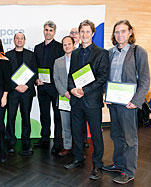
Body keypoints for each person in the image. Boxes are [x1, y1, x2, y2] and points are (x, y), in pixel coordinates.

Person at [102, 20, 150, 184]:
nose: (120, 35)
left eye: (123, 31)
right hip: (113, 102)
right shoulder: (110, 53)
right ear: (114, 35)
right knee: (116, 135)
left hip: (129, 103)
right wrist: (104, 94)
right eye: (117, 32)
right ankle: (118, 164)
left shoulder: (138, 52)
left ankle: (129, 171)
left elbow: (145, 80)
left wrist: (136, 101)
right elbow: (106, 76)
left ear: (130, 32)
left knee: (130, 139)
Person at [64, 20, 109, 180]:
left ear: (93, 33)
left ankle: (97, 164)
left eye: (87, 32)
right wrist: (72, 89)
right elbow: (71, 76)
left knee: (96, 134)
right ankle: (78, 157)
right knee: (76, 131)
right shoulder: (75, 53)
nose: (84, 35)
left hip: (92, 101)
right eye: (81, 32)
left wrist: (85, 90)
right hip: (76, 100)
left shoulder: (102, 53)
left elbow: (102, 77)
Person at [34, 21, 64, 154]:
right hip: (41, 87)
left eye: (51, 30)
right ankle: (45, 138)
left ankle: (57, 142)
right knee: (44, 114)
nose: (48, 32)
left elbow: (62, 68)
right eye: (46, 30)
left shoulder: (59, 47)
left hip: (55, 87)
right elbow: (35, 67)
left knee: (57, 116)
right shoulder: (37, 48)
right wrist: (36, 79)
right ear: (43, 31)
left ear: (54, 32)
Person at [5, 32, 37, 156]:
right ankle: (11, 142)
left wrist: (27, 86)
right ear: (14, 40)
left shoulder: (31, 55)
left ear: (24, 40)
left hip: (26, 92)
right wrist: (15, 86)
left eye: (21, 38)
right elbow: (6, 74)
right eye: (17, 38)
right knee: (11, 117)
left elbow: (34, 72)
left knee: (26, 117)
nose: (19, 40)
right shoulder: (7, 55)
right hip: (13, 92)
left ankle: (26, 142)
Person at [53, 36, 74, 157]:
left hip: (76, 96)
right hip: (63, 98)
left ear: (73, 45)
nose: (67, 46)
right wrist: (65, 92)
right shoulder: (58, 61)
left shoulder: (78, 59)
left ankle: (78, 148)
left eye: (69, 44)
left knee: (77, 124)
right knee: (65, 124)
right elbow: (56, 79)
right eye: (64, 45)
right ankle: (67, 146)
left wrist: (74, 92)